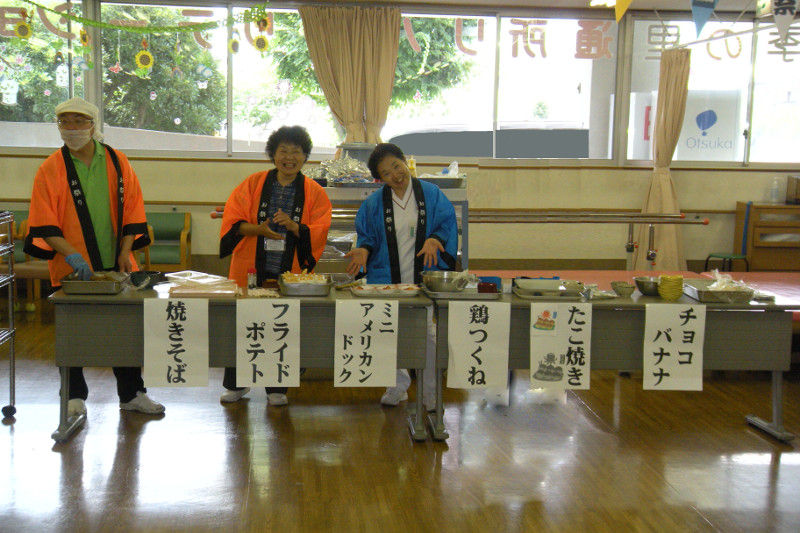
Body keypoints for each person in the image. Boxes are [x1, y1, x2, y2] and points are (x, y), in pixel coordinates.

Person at [23, 97, 164, 417]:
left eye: (78, 121)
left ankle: (132, 393)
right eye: (64, 122)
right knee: (73, 330)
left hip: (117, 263)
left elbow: (133, 210)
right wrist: (71, 255)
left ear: (93, 125)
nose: (71, 128)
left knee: (125, 330)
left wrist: (127, 250)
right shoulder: (50, 168)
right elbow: (44, 221)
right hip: (72, 266)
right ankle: (73, 396)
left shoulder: (117, 161)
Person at [219, 125, 332, 406]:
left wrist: (295, 226)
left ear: (305, 157)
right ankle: (237, 384)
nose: (289, 157)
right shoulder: (253, 183)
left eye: (296, 152)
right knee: (244, 323)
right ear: (273, 154)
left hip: (290, 268)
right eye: (283, 151)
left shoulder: (314, 191)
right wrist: (259, 229)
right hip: (251, 267)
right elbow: (233, 222)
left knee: (283, 324)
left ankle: (277, 387)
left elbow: (320, 229)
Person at [345, 143, 458, 408]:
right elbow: (367, 236)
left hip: (423, 276)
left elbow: (446, 222)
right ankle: (397, 384)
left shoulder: (431, 194)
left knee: (428, 337)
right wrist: (362, 249)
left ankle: (429, 391)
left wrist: (434, 239)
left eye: (396, 166)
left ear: (404, 161)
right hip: (387, 278)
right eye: (386, 173)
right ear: (379, 179)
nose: (395, 175)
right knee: (387, 331)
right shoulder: (374, 204)